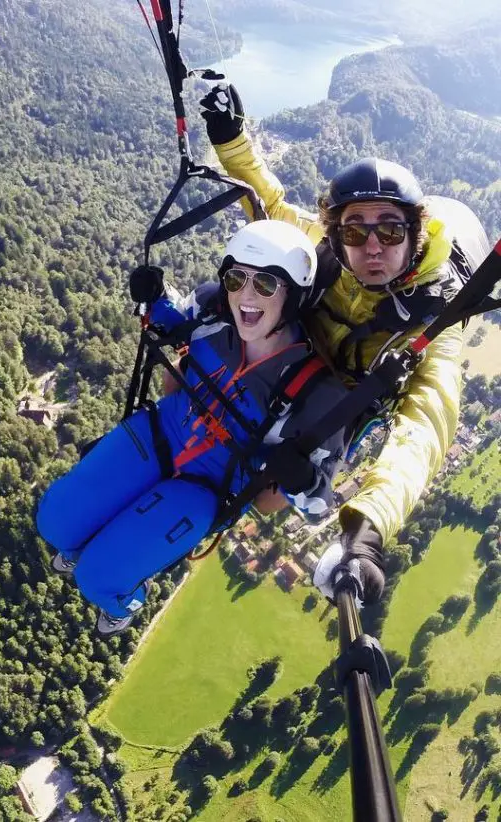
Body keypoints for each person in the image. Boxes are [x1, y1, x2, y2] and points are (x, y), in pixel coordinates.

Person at [199, 83, 484, 604]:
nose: (372, 246)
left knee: (266, 497)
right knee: (192, 357)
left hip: (335, 402)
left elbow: (426, 425)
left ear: (416, 236)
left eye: (391, 232)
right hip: (293, 357)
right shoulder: (327, 253)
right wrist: (231, 141)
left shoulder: (433, 323)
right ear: (336, 233)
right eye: (356, 232)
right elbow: (268, 206)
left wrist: (368, 529)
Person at [36, 221, 350, 636]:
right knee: (54, 522)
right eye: (237, 279)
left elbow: (318, 504)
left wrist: (301, 478)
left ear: (293, 294)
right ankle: (80, 540)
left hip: (207, 485)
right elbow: (171, 318)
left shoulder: (315, 393)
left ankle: (124, 602)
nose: (246, 297)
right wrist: (152, 296)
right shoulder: (212, 312)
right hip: (160, 432)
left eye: (266, 285)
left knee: (99, 579)